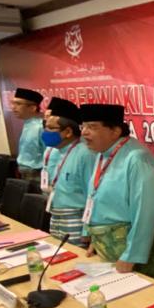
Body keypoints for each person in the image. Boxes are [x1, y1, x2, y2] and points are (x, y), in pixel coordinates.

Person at [80, 103, 154, 289]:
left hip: (133, 256)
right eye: (83, 127)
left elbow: (145, 213)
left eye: (92, 127)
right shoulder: (102, 154)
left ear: (115, 131)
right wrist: (95, 239)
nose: (84, 133)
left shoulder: (137, 158)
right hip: (108, 249)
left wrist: (132, 255)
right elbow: (95, 197)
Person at [41, 97, 94, 240]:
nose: (46, 131)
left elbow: (91, 195)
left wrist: (87, 231)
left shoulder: (85, 154)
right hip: (56, 215)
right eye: (45, 126)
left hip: (76, 219)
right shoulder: (58, 151)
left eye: (51, 128)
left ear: (68, 132)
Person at [11, 87, 45, 181]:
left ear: (33, 108)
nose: (13, 108)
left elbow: (49, 154)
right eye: (13, 103)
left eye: (18, 104)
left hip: (37, 175)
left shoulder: (41, 127)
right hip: (25, 174)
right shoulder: (28, 123)